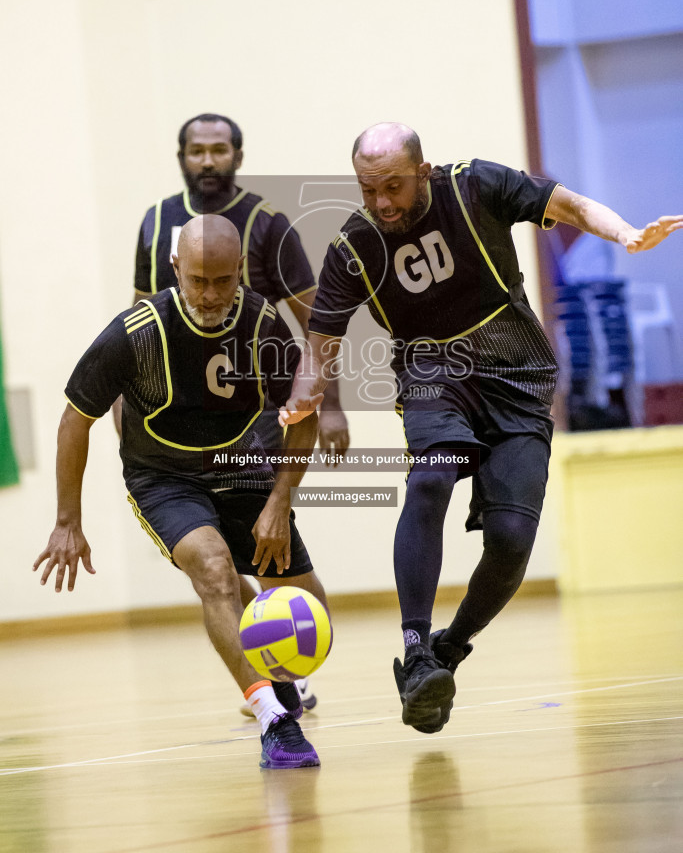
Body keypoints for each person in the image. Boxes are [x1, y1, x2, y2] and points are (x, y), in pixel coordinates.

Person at [280, 121, 683, 735]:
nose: (383, 202)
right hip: (432, 371)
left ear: (423, 172)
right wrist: (306, 392)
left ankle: (448, 650)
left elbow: (567, 204)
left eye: (393, 186)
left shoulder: (476, 185)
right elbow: (320, 346)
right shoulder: (353, 246)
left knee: (514, 538)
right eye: (369, 189)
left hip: (517, 369)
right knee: (430, 479)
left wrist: (626, 234)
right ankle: (415, 650)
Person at [35, 216, 325, 769]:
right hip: (162, 478)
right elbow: (76, 419)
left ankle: (279, 678)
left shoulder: (263, 325)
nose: (211, 295)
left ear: (240, 271)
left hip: (242, 467)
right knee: (214, 570)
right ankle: (273, 719)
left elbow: (302, 415)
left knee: (310, 611)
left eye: (223, 280)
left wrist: (280, 499)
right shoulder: (135, 332)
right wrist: (67, 520)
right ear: (175, 270)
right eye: (198, 281)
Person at [131, 112, 350, 713]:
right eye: (197, 150)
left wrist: (328, 406)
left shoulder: (267, 224)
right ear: (182, 156)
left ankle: (290, 656)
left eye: (218, 150)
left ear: (238, 155)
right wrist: (128, 401)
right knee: (218, 568)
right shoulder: (155, 223)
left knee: (275, 565)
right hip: (177, 429)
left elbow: (315, 320)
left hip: (256, 418)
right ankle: (275, 680)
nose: (207, 160)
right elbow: (138, 316)